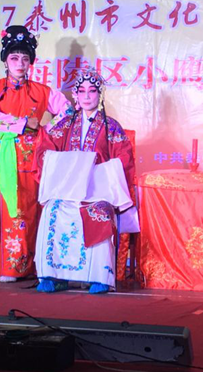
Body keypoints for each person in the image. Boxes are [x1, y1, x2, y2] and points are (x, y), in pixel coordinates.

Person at [0, 25, 71, 282]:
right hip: (0, 160)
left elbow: (67, 112)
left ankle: (26, 266)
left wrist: (45, 130)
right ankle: (1, 267)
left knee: (27, 213)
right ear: (5, 60)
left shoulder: (42, 91)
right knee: (1, 212)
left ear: (31, 62)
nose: (20, 63)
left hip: (31, 160)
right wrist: (23, 123)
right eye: (14, 58)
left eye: (25, 58)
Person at [34, 68, 136, 294]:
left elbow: (125, 158)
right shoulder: (64, 125)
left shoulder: (111, 126)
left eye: (92, 91)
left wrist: (100, 171)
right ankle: (54, 275)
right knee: (52, 209)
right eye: (82, 91)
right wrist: (58, 163)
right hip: (68, 190)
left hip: (99, 191)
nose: (87, 96)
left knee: (99, 212)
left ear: (100, 95)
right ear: (75, 95)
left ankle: (98, 276)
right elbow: (45, 150)